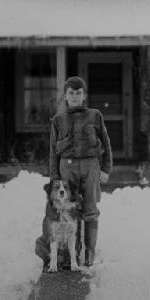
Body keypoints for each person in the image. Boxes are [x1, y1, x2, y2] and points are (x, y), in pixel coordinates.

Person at [44, 75, 112, 268]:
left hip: (91, 167)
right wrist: (55, 179)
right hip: (67, 168)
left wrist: (106, 168)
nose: (75, 96)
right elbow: (52, 154)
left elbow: (106, 144)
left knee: (90, 210)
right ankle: (69, 255)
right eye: (71, 93)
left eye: (78, 92)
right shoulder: (58, 120)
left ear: (84, 95)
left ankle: (89, 253)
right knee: (67, 210)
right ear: (65, 95)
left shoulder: (95, 115)